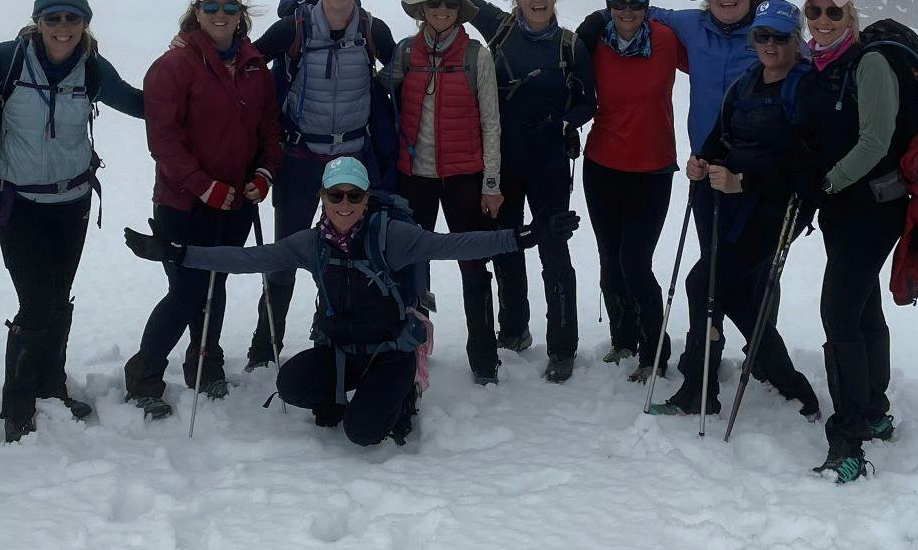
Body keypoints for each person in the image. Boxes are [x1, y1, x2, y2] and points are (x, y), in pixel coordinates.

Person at [121, 157, 578, 447]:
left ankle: (402, 394)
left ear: (365, 199)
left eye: (353, 196)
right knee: (291, 384)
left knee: (363, 434)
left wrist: (523, 237)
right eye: (335, 195)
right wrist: (180, 253)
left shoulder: (391, 236)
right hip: (339, 350)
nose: (344, 204)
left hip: (390, 352)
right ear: (322, 198)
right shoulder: (310, 243)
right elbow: (249, 259)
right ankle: (347, 397)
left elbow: (452, 245)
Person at [382, 0, 594, 381]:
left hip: (548, 164)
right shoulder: (500, 28)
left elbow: (589, 103)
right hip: (500, 164)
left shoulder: (570, 44)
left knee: (554, 252)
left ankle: (562, 347)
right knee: (505, 247)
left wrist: (564, 125)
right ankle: (514, 330)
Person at [593, 0, 808, 408]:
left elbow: (808, 97)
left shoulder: (772, 37)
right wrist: (593, 25)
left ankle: (758, 362)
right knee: (713, 273)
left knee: (750, 277)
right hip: (707, 172)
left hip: (764, 184)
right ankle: (718, 365)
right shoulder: (690, 25)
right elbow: (640, 9)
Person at [0, 0, 145, 442]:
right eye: (53, 17)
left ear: (85, 22)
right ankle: (17, 406)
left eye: (73, 17)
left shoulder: (91, 67)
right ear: (38, 20)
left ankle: (51, 385)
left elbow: (138, 104)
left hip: (72, 200)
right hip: (18, 200)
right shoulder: (5, 60)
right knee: (37, 301)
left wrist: (183, 81)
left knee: (58, 296)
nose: (63, 26)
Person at [650, 0, 821, 421]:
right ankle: (791, 386)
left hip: (777, 213)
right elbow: (721, 136)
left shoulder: (806, 88)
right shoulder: (748, 82)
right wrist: (701, 161)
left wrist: (744, 180)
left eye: (779, 37)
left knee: (702, 283)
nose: (769, 45)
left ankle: (700, 390)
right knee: (738, 295)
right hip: (735, 206)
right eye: (761, 36)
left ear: (796, 40)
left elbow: (806, 166)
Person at [124, 0, 283, 418]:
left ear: (241, 15)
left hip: (235, 200)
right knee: (188, 289)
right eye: (211, 6)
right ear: (196, 12)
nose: (220, 14)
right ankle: (144, 375)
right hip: (183, 202)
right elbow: (164, 140)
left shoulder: (254, 66)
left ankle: (205, 363)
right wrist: (203, 186)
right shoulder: (174, 65)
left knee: (216, 282)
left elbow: (270, 129)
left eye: (229, 7)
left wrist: (264, 174)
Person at [244, 0, 397, 371]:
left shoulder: (371, 29)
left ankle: (343, 336)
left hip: (351, 161)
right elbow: (245, 63)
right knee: (286, 254)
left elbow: (407, 70)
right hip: (299, 156)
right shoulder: (293, 28)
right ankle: (265, 347)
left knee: (352, 257)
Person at [785, 0, 909, 484]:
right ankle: (874, 410)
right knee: (860, 306)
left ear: (850, 15)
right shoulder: (818, 64)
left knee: (838, 312)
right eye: (814, 11)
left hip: (874, 207)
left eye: (833, 11)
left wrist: (827, 183)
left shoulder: (869, 63)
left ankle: (849, 437)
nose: (822, 20)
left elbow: (876, 140)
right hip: (842, 208)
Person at [381, 0, 508, 383]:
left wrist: (491, 183)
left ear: (459, 10)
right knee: (411, 263)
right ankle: (413, 344)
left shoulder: (476, 56)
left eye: (450, 3)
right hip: (413, 176)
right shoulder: (404, 53)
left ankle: (484, 357)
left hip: (464, 176)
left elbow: (491, 122)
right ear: (421, 10)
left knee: (473, 265)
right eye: (433, 3)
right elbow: (377, 95)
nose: (441, 10)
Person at [574, 0, 688, 381]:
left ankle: (654, 352)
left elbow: (713, 63)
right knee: (610, 259)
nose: (627, 11)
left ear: (647, 6)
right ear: (608, 6)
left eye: (635, 3)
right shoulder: (593, 43)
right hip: (602, 165)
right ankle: (623, 339)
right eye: (618, 3)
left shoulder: (666, 40)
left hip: (652, 169)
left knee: (635, 262)